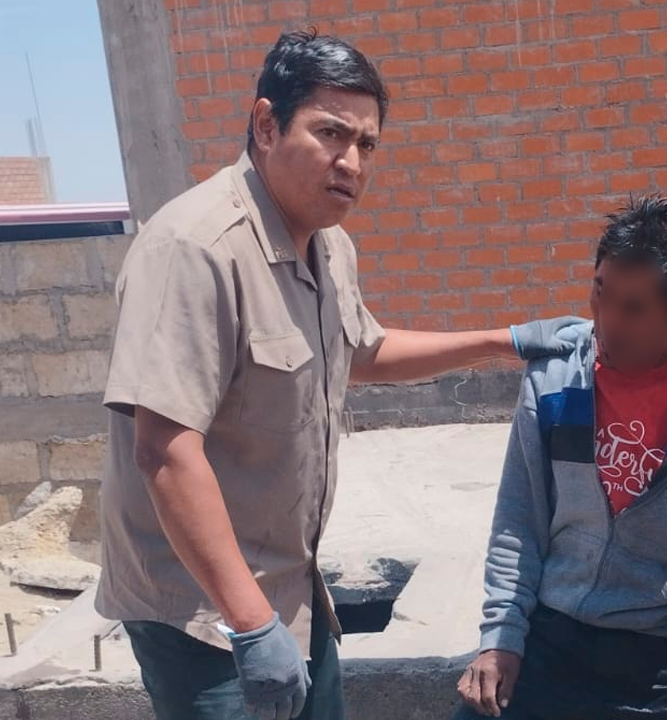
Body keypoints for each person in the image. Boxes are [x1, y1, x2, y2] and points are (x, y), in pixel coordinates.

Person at [96, 30, 579, 720]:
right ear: (267, 125)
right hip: (201, 613)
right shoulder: (194, 249)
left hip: (291, 586)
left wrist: (505, 341)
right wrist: (249, 624)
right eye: (330, 134)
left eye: (367, 145)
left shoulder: (328, 247)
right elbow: (165, 452)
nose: (351, 162)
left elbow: (362, 352)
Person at [452, 195, 667, 720]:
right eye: (600, 292)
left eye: (633, 308)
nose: (606, 322)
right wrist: (501, 638)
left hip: (654, 667)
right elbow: (519, 520)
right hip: (547, 639)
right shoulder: (554, 378)